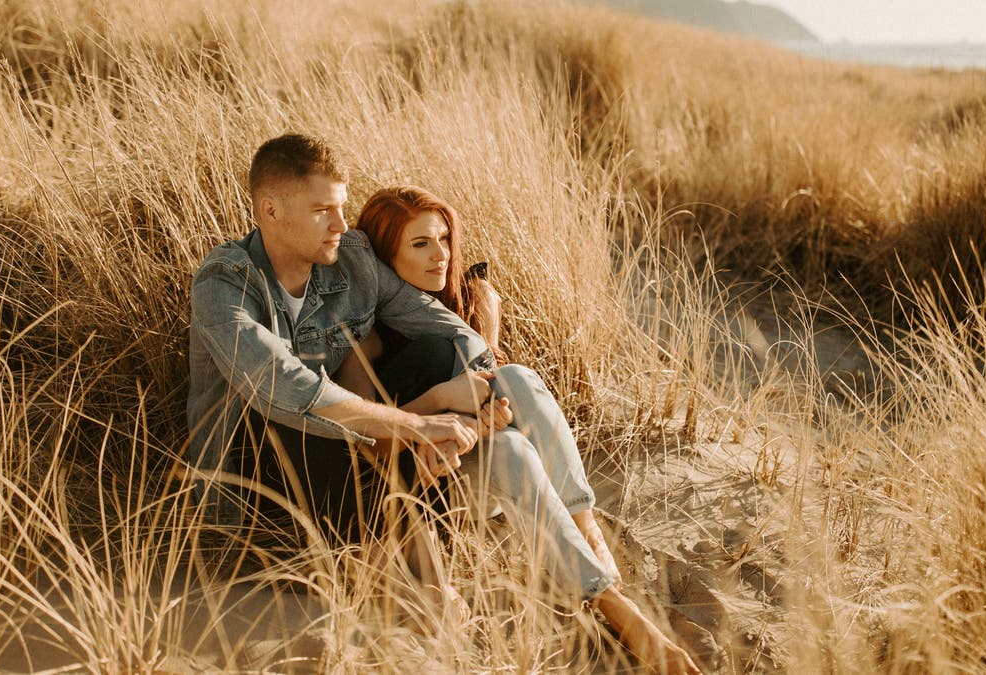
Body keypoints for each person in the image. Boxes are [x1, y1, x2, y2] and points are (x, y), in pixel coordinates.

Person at [186, 134, 699, 674]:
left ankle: (607, 595)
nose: (342, 224)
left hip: (372, 467)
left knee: (509, 422)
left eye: (342, 206)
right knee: (307, 413)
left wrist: (477, 398)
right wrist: (419, 423)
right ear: (270, 210)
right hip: (269, 491)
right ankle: (411, 576)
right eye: (322, 211)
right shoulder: (226, 283)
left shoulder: (352, 262)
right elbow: (287, 389)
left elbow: (450, 333)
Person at [336, 185, 702, 674]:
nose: (441, 254)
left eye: (444, 237)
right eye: (419, 244)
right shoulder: (367, 335)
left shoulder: (467, 299)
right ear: (384, 256)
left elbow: (491, 389)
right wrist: (448, 402)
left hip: (481, 465)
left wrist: (477, 389)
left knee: (517, 382)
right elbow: (372, 443)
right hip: (424, 486)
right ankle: (620, 610)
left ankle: (585, 530)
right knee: (510, 448)